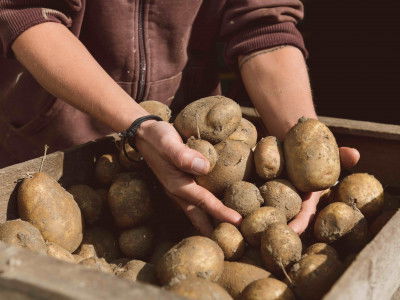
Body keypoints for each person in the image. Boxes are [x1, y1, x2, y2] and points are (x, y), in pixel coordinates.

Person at [0, 1, 359, 236]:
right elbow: (29, 12)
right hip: (56, 146)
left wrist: (300, 142)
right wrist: (139, 124)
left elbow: (262, 23)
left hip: (188, 149)